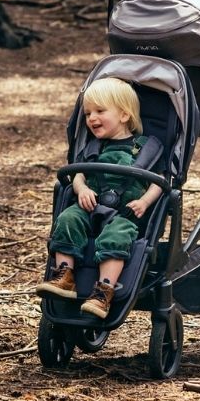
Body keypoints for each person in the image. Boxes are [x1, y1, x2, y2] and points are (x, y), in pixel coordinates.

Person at [36, 77, 164, 319]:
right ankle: (64, 276)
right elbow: (78, 175)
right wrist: (81, 189)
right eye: (87, 114)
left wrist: (145, 202)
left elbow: (160, 182)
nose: (91, 119)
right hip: (89, 206)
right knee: (66, 220)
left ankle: (103, 292)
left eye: (100, 111)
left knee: (116, 237)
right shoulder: (94, 147)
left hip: (126, 213)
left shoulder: (145, 148)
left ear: (124, 115)